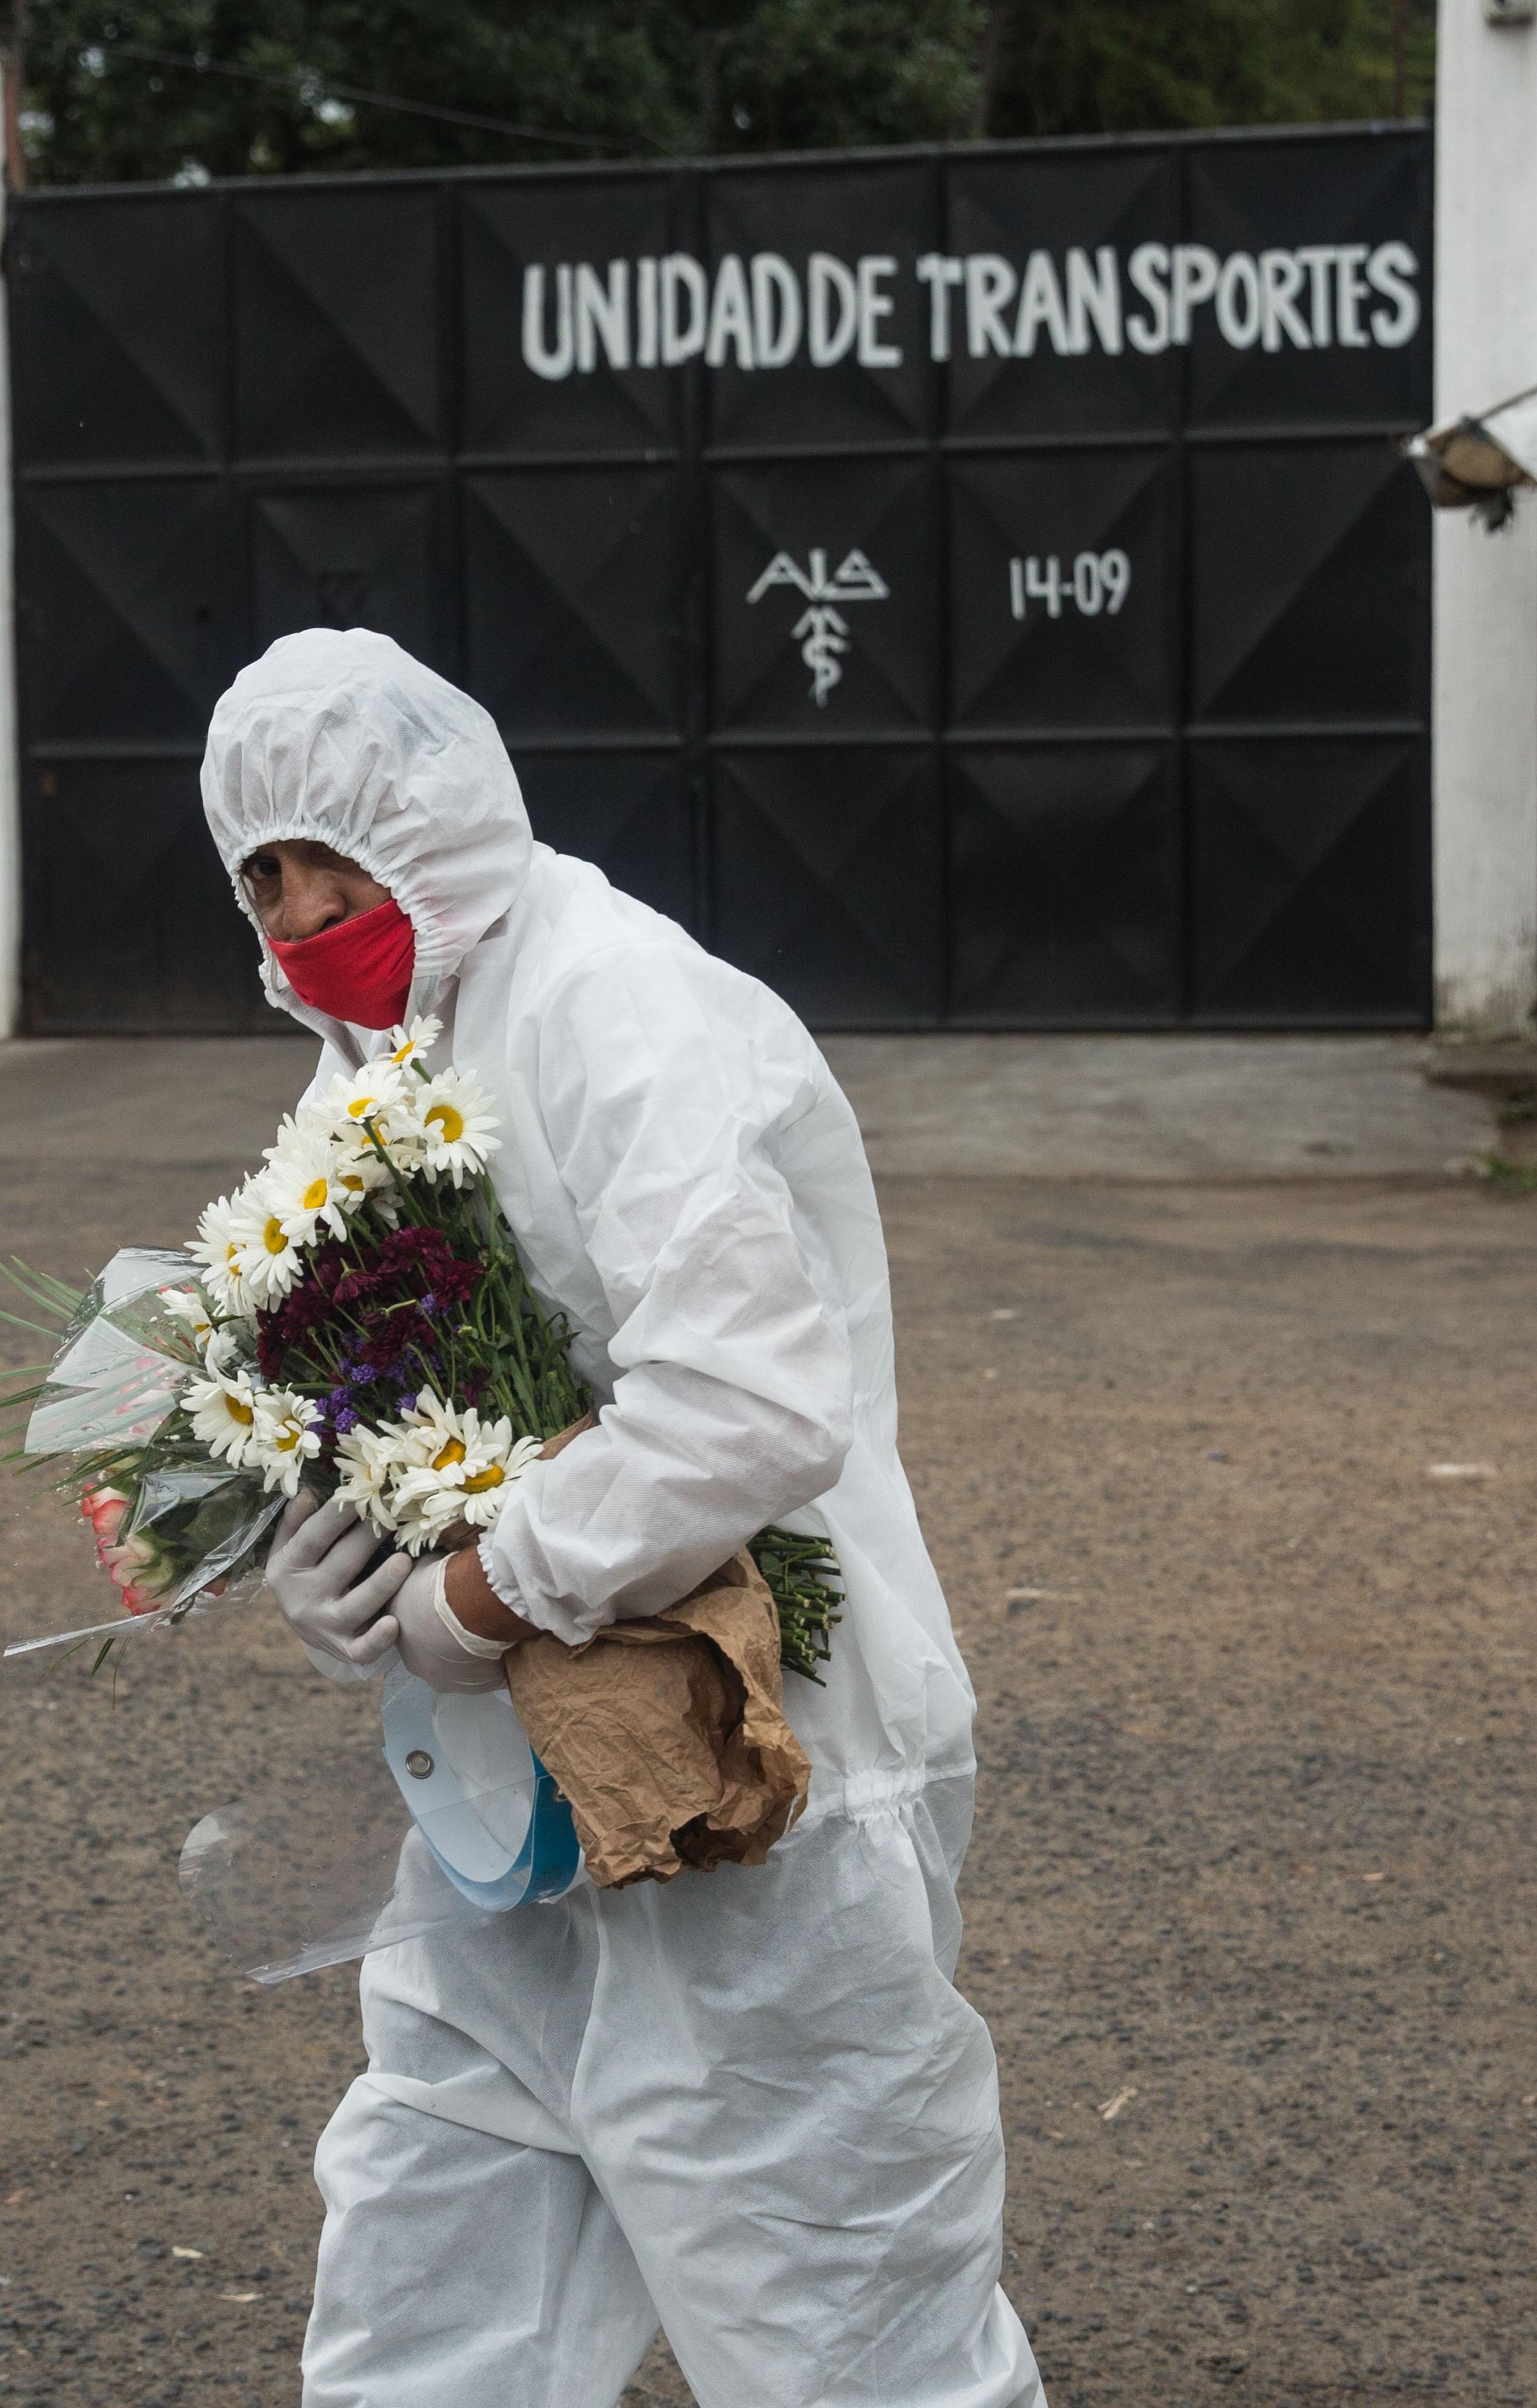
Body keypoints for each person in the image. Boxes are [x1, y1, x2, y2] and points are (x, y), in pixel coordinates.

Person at [201, 628, 1041, 2408]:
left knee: (844, 2333)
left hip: (754, 1789)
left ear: (431, 819)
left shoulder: (609, 1000)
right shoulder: (373, 1063)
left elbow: (748, 1400)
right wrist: (335, 1555)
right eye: (259, 871)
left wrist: (484, 1596)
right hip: (512, 1820)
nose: (294, 909)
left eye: (323, 856)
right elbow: (378, 1381)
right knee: (427, 2301)